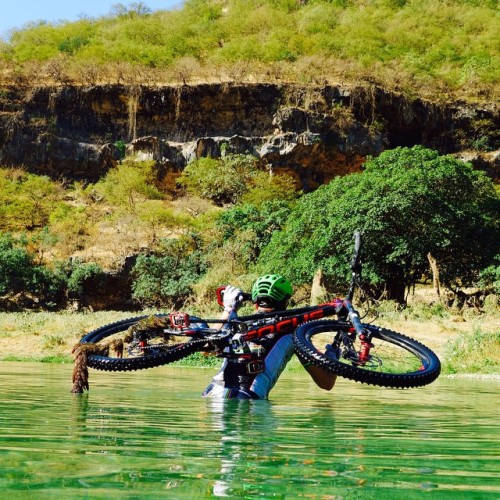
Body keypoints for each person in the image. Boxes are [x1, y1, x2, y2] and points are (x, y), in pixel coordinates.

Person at [202, 274, 337, 399]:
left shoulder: (236, 324)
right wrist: (333, 355)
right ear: (286, 302)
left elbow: (205, 348)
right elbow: (326, 382)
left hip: (212, 393)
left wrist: (228, 310)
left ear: (255, 303)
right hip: (249, 402)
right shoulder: (294, 333)